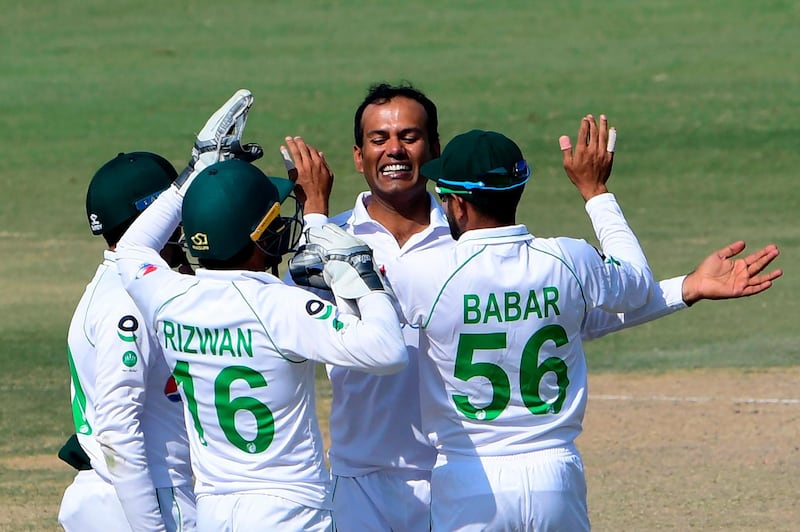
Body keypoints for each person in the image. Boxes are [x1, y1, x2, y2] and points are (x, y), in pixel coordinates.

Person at [284, 82, 782, 531]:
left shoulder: (446, 244)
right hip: (366, 475)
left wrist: (685, 289)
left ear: (436, 153)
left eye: (410, 136)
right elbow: (292, 328)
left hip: (459, 469)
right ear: (358, 154)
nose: (395, 148)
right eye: (379, 139)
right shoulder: (357, 233)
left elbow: (568, 320)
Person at [115, 90, 408, 532]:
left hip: (215, 508)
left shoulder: (167, 298)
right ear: (255, 238)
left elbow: (132, 248)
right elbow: (388, 351)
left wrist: (193, 172)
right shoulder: (282, 306)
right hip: (290, 511)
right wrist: (360, 270)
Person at [58, 151, 197, 532]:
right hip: (147, 498)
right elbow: (119, 429)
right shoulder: (128, 303)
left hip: (126, 495)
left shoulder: (119, 286)